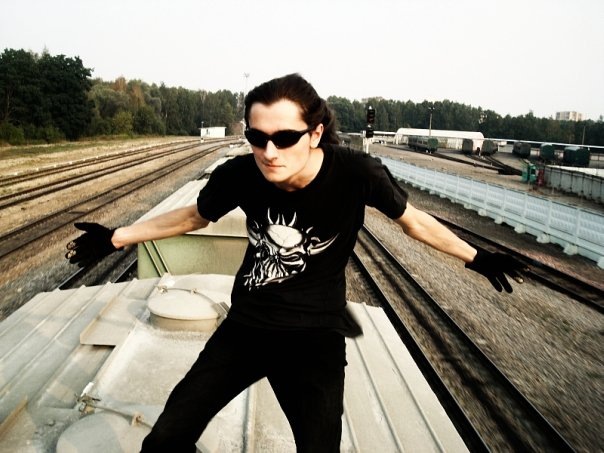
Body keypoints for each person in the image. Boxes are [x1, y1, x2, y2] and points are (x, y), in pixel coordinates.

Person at [65, 73, 526, 452]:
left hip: (315, 338)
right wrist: (116, 237)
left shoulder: (355, 174)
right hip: (246, 329)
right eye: (257, 137)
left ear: (316, 133)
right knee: (166, 439)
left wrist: (478, 257)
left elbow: (414, 222)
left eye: (285, 138)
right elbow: (194, 216)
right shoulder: (240, 174)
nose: (269, 152)